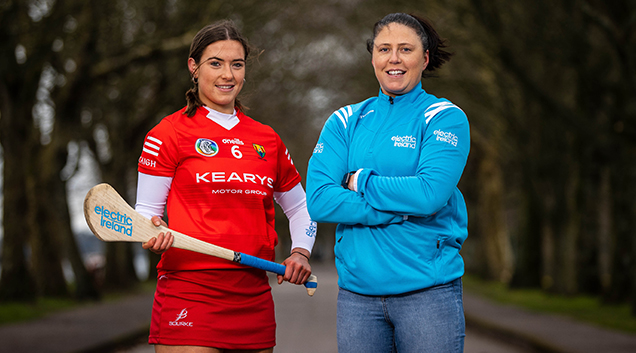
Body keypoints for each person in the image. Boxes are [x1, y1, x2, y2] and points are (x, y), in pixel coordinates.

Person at [135, 20, 316, 353]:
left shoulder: (267, 138)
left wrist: (300, 252)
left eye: (237, 64)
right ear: (193, 67)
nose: (227, 75)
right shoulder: (168, 133)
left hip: (253, 294)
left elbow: (301, 207)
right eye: (215, 63)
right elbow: (146, 212)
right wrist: (152, 231)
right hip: (189, 290)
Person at [306, 13, 469, 353]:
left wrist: (360, 180)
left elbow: (428, 195)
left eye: (405, 49)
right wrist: (394, 211)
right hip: (357, 298)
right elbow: (320, 200)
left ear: (424, 59)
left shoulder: (444, 118)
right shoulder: (345, 120)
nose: (393, 59)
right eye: (384, 49)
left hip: (427, 294)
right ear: (373, 58)